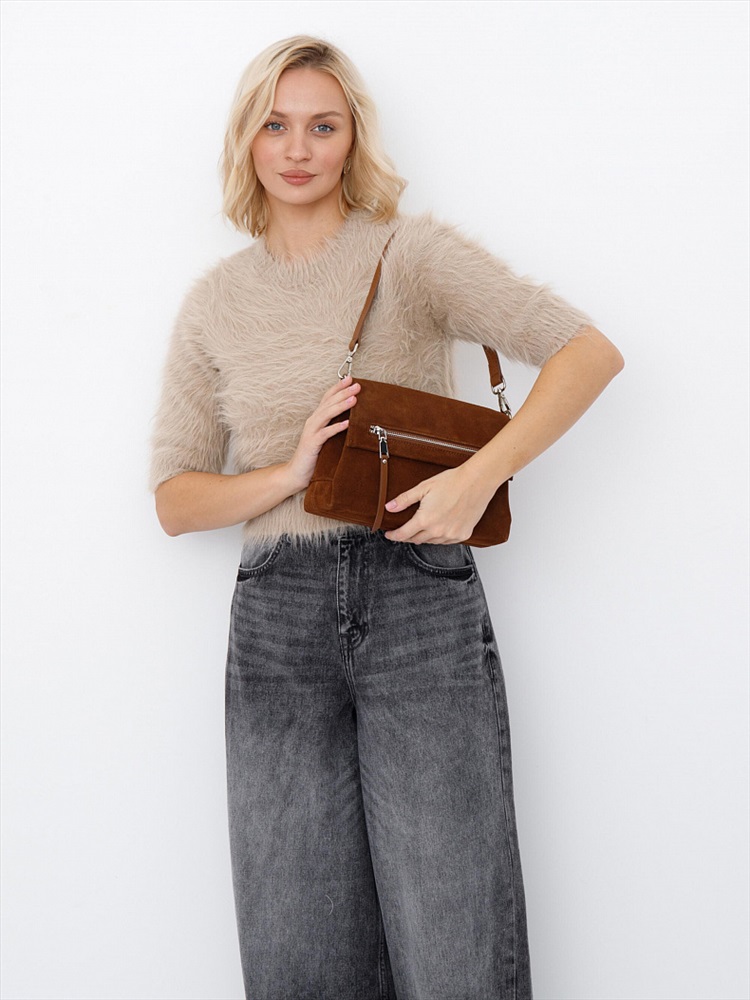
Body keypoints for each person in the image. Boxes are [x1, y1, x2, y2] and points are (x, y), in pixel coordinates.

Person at [149, 34, 623, 1000]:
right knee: (296, 952)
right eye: (274, 125)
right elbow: (174, 499)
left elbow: (586, 352)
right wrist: (289, 470)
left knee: (455, 938)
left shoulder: (411, 255)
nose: (297, 148)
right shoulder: (214, 303)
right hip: (276, 616)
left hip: (416, 594)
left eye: (322, 126)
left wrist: (479, 478)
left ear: (353, 138)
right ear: (245, 141)